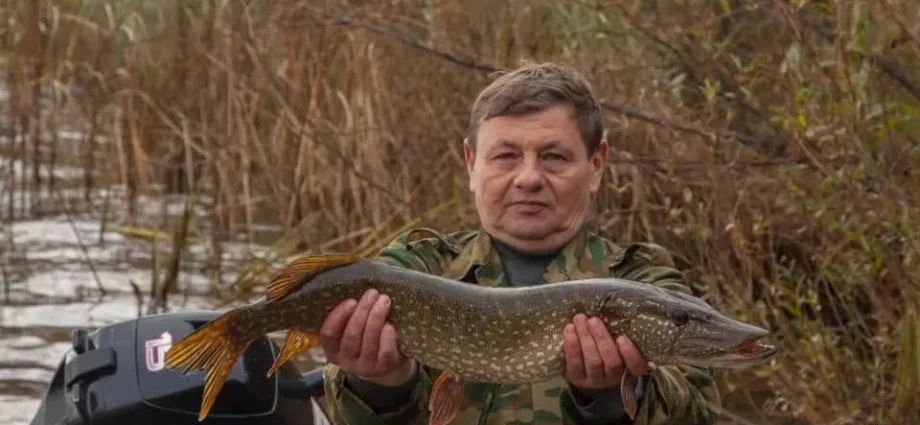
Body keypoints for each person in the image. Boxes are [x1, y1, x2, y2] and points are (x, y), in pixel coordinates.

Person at [317, 62, 721, 425]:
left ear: (596, 165)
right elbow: (337, 410)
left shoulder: (641, 280)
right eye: (507, 156)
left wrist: (606, 401)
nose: (528, 178)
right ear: (471, 164)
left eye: (554, 157)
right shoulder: (415, 266)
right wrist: (381, 384)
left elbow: (698, 415)